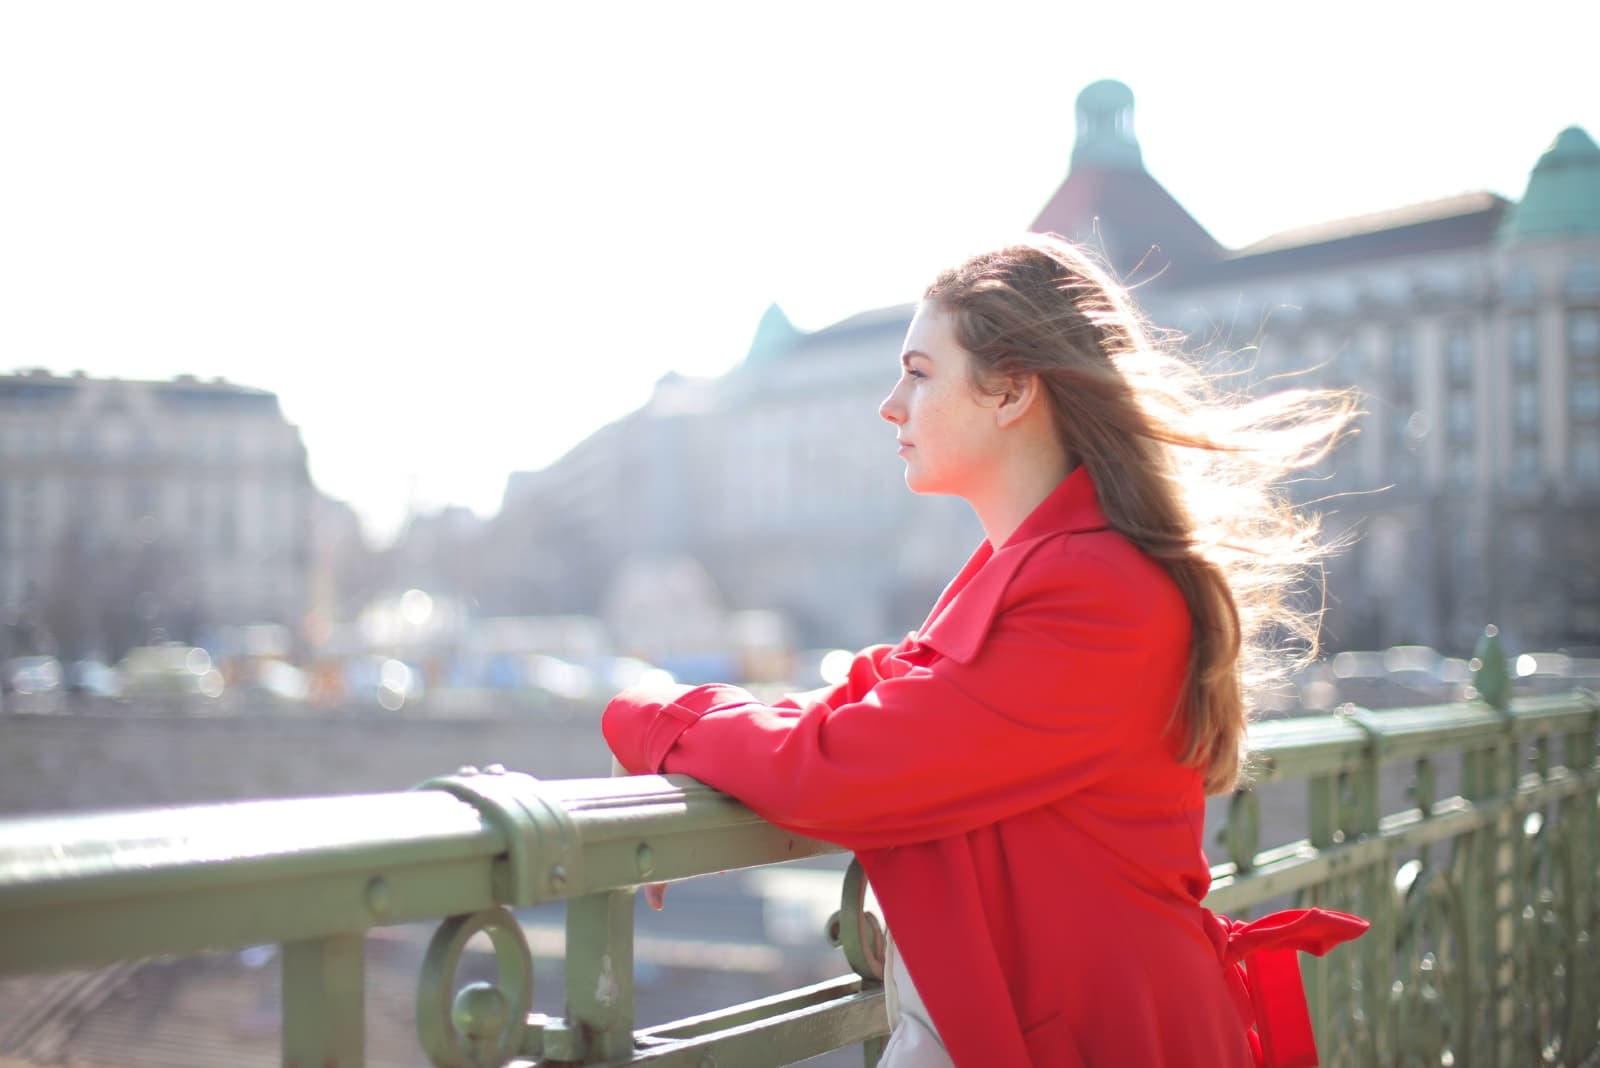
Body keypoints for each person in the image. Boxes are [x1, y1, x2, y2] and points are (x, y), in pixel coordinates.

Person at [603, 233, 1369, 1067]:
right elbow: (866, 706)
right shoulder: (1042, 570)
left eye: (920, 373)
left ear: (1010, 391)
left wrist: (653, 722)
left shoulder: (1092, 587)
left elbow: (846, 763)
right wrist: (683, 729)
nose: (891, 404)